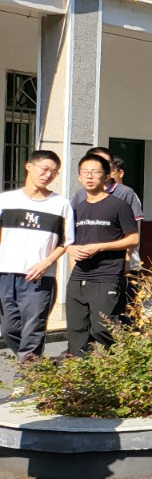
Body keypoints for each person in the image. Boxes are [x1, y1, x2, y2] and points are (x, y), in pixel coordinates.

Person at [63, 153, 139, 355]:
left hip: (106, 276)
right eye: (85, 172)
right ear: (79, 177)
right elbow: (67, 241)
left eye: (95, 172)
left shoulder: (118, 206)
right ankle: (79, 375)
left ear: (106, 177)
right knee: (77, 329)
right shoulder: (76, 209)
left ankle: (121, 362)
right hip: (79, 276)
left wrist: (100, 247)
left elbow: (133, 239)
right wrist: (71, 250)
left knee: (103, 327)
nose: (89, 176)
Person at [0, 149, 72, 361]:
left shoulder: (61, 204)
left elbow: (66, 241)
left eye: (54, 172)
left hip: (40, 276)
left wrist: (46, 263)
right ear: (29, 166)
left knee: (33, 328)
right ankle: (37, 369)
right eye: (45, 169)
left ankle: (29, 377)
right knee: (9, 328)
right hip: (6, 273)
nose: (48, 175)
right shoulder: (6, 200)